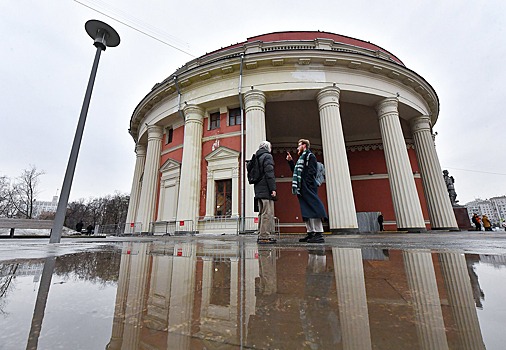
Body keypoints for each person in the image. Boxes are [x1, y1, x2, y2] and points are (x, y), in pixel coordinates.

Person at [287, 139, 327, 243]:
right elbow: (296, 171)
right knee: (306, 210)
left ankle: (318, 233)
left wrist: (307, 185)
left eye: (299, 145)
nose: (297, 148)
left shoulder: (310, 156)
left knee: (314, 208)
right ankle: (310, 233)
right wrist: (290, 161)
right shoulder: (301, 158)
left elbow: (311, 171)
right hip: (302, 187)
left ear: (304, 145)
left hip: (307, 186)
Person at [253, 141, 277, 244]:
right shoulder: (267, 156)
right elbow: (269, 173)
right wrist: (273, 188)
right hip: (265, 189)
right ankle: (264, 236)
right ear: (268, 148)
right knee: (267, 213)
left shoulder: (256, 157)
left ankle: (261, 234)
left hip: (258, 189)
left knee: (261, 213)